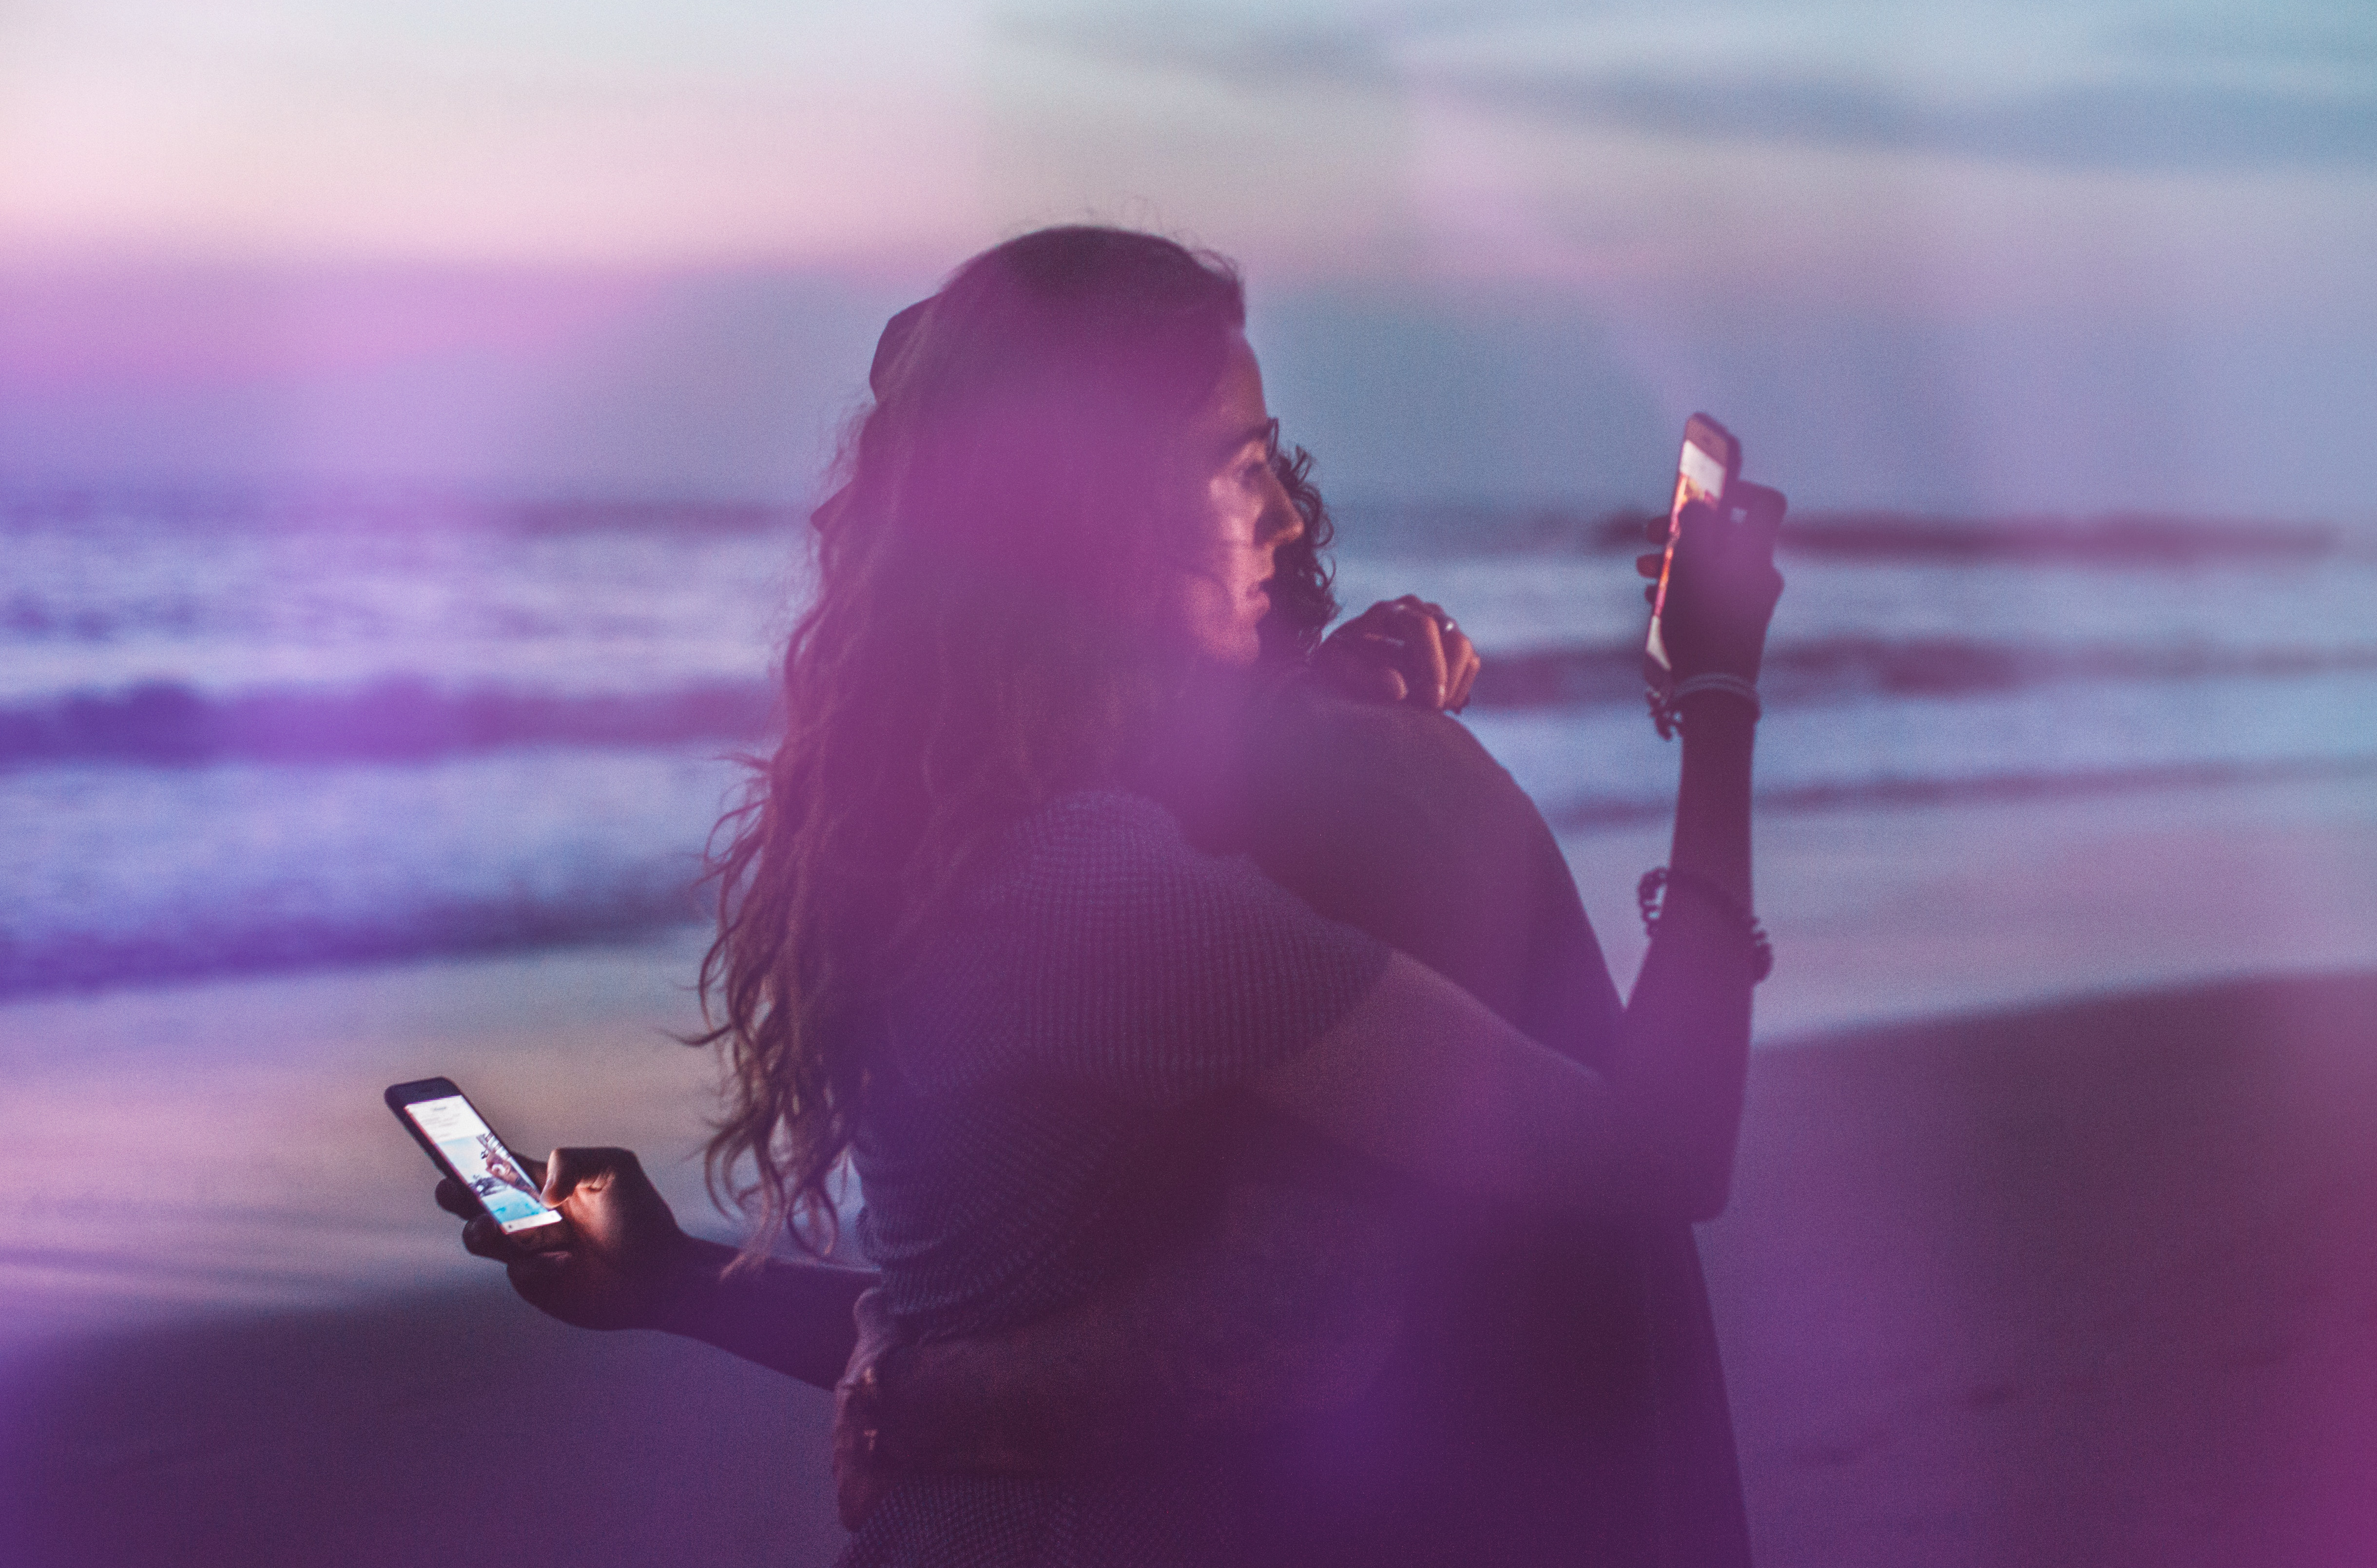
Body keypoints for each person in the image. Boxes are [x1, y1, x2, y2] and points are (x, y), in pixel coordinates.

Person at [436, 226, 1784, 1566]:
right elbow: (1656, 1153)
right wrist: (1716, 701)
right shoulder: (1111, 893)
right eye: (1240, 469)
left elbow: (995, 1326)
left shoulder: (928, 845)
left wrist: (678, 1282)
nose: (1286, 519)